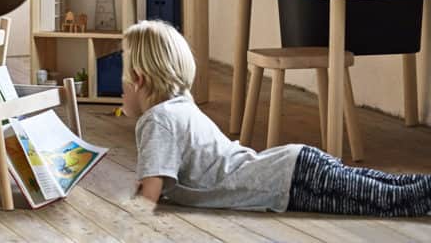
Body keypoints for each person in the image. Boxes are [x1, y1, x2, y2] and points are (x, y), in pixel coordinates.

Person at [123, 20, 431, 216]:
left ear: (138, 79)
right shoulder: (182, 106)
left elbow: (149, 197)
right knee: (395, 187)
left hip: (290, 182)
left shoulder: (156, 121)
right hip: (294, 166)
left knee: (391, 201)